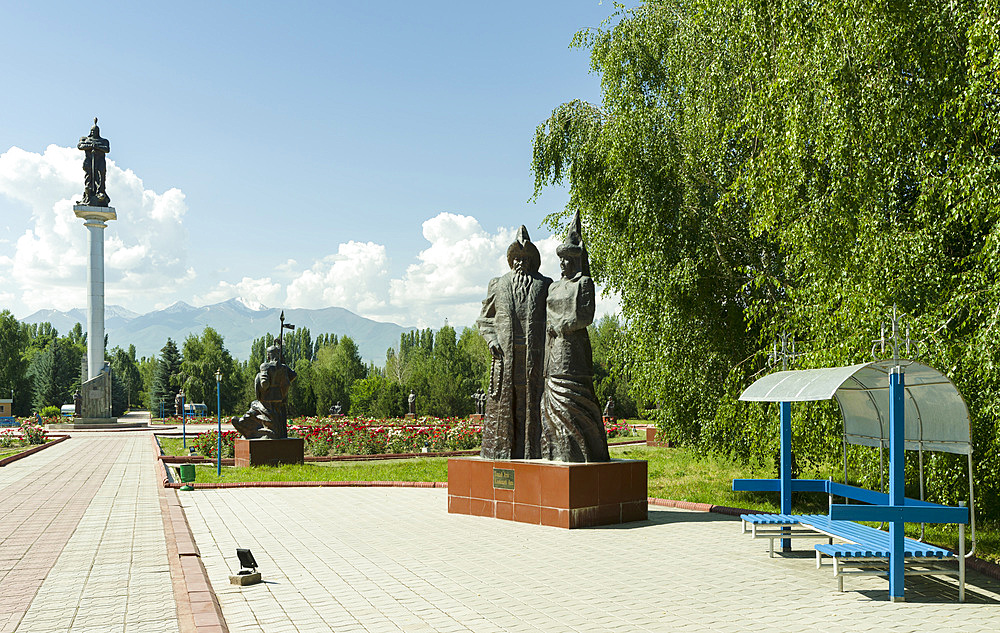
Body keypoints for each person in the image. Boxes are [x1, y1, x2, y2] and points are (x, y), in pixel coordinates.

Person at [540, 212, 610, 462]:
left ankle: (584, 453)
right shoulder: (554, 286)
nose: (562, 264)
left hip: (574, 353)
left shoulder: (585, 283)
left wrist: (560, 324)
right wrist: (553, 326)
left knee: (575, 403)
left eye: (567, 259)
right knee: (550, 406)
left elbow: (584, 316)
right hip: (553, 352)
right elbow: (548, 315)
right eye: (561, 259)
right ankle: (557, 453)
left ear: (576, 261)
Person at [476, 226, 552, 459]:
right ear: (511, 261)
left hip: (535, 357)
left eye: (525, 258)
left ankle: (532, 451)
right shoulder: (498, 284)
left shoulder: (544, 284)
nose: (520, 263)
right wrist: (491, 340)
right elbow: (485, 319)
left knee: (532, 404)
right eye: (516, 258)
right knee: (506, 407)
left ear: (532, 261)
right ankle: (503, 452)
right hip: (506, 357)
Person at [232, 345, 297, 439]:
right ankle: (250, 425)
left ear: (269, 356)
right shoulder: (283, 367)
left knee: (255, 405)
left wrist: (261, 380)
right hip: (280, 398)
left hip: (267, 398)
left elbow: (264, 383)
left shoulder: (265, 366)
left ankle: (245, 423)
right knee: (259, 407)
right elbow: (293, 375)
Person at [77, 118, 111, 206]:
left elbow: (107, 149)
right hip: (89, 161)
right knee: (89, 177)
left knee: (101, 176)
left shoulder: (104, 141)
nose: (93, 132)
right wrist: (90, 145)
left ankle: (101, 192)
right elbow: (80, 146)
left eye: (95, 131)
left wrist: (95, 146)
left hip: (100, 161)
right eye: (92, 131)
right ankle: (88, 194)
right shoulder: (85, 139)